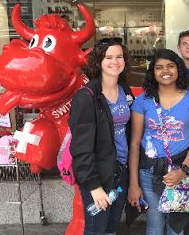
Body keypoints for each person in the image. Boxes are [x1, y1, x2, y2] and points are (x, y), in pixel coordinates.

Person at [127, 49, 189, 235]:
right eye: (159, 67)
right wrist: (133, 184)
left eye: (170, 66)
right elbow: (135, 143)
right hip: (149, 172)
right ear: (153, 72)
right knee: (155, 221)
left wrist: (183, 171)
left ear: (178, 69)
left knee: (176, 226)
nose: (165, 71)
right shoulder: (143, 101)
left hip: (181, 169)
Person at [68, 39, 134, 235]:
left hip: (121, 172)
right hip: (100, 175)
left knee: (112, 227)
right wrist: (94, 186)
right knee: (96, 230)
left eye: (119, 56)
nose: (115, 61)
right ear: (98, 62)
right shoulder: (87, 96)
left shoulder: (125, 90)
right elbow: (80, 148)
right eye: (109, 57)